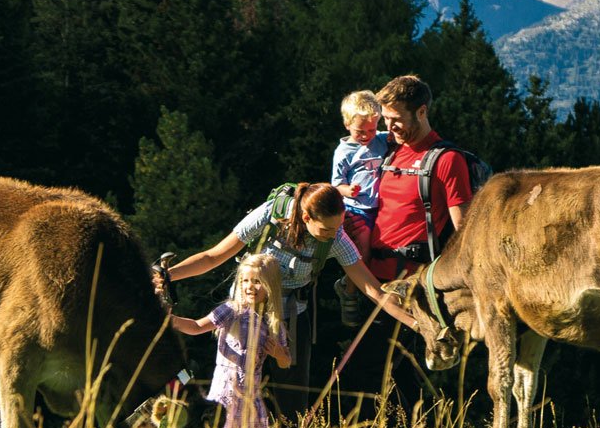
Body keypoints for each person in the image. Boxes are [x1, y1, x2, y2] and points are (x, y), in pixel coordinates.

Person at [156, 182, 421, 330]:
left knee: (291, 402)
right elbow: (213, 257)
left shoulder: (336, 238)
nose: (336, 234)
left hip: (291, 313)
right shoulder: (271, 215)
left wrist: (416, 323)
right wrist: (167, 276)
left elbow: (374, 290)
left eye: (340, 226)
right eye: (327, 228)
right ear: (306, 218)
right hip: (244, 308)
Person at [169, 254, 290, 428]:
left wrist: (278, 354)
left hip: (250, 396)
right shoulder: (232, 310)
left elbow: (286, 362)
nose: (250, 286)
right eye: (245, 281)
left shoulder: (272, 323)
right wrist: (170, 319)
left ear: (270, 286)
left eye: (257, 282)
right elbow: (197, 326)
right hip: (224, 392)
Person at [366, 75, 476, 282]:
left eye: (396, 119)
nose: (389, 127)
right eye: (385, 118)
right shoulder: (389, 151)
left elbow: (465, 230)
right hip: (372, 280)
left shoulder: (447, 159)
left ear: (422, 112)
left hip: (413, 284)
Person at [330, 90, 391, 326]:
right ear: (347, 124)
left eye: (371, 130)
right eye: (360, 131)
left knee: (382, 250)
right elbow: (336, 185)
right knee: (362, 250)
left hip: (381, 207)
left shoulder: (383, 139)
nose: (366, 136)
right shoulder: (344, 152)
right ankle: (350, 291)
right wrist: (349, 190)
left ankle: (368, 293)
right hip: (357, 209)